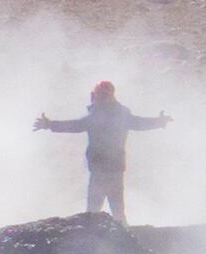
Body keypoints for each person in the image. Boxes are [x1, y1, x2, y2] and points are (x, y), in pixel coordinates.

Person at [39, 79, 169, 228]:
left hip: (100, 171)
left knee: (93, 214)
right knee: (117, 213)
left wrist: (49, 125)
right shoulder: (120, 115)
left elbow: (75, 125)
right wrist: (159, 122)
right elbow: (139, 123)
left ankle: (94, 238)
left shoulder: (97, 116)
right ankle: (124, 237)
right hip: (114, 169)